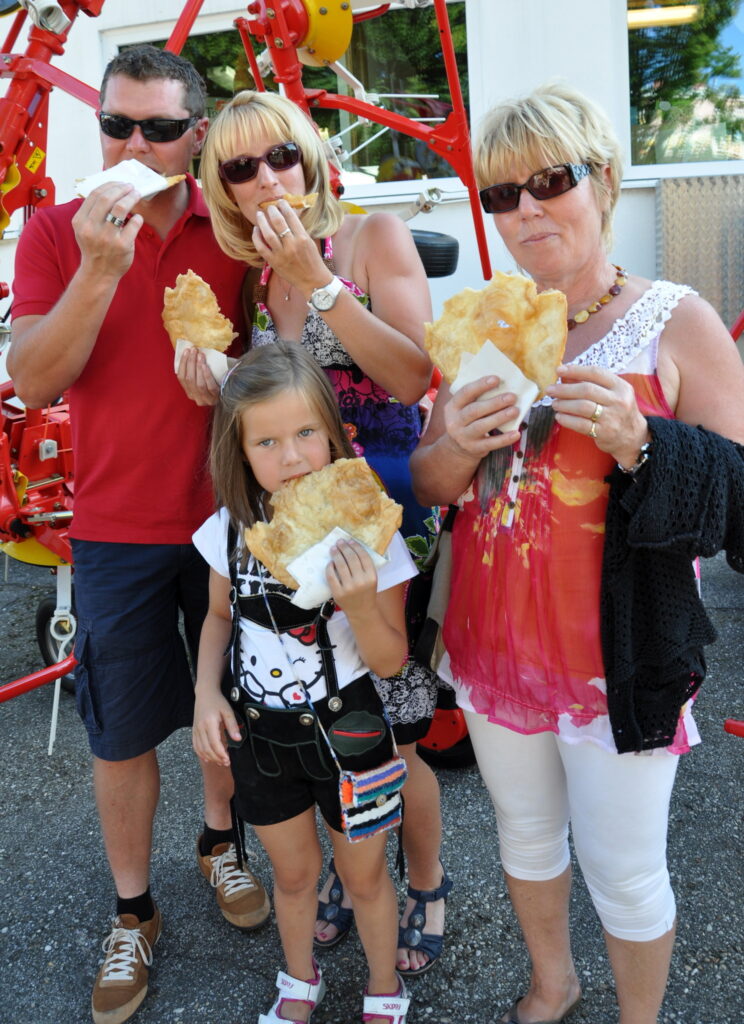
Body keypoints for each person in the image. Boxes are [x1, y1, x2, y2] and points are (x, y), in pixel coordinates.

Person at [410, 82, 744, 1024]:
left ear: (602, 179)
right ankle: (552, 982)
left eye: (548, 181)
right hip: (491, 645)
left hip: (619, 657)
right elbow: (433, 485)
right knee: (523, 835)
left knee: (626, 870)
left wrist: (647, 445)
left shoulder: (675, 321)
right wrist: (454, 444)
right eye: (500, 193)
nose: (524, 210)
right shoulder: (478, 321)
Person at [8, 45, 269, 1024]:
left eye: (160, 128)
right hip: (114, 525)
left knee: (225, 712)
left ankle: (220, 843)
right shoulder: (54, 231)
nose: (136, 143)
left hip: (226, 518)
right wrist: (100, 271)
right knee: (119, 733)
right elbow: (34, 377)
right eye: (119, 124)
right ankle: (134, 911)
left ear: (196, 135)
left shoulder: (237, 228)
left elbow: (286, 360)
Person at [194, 88, 452, 976]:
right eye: (241, 167)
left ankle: (425, 883)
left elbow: (418, 374)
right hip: (298, 529)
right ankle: (358, 864)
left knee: (396, 719)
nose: (268, 178)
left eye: (283, 157)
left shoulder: (371, 238)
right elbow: (279, 407)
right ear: (223, 188)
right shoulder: (259, 273)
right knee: (327, 705)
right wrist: (217, 388)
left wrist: (323, 280)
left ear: (311, 158)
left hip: (383, 506)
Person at [192, 341, 414, 1024]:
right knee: (292, 876)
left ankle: (384, 987)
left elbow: (390, 663)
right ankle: (298, 980)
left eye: (305, 434)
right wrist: (205, 694)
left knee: (365, 876)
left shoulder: (372, 532)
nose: (290, 457)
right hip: (263, 740)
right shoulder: (232, 529)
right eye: (267, 441)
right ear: (239, 449)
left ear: (332, 434)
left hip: (355, 736)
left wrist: (359, 600)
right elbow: (218, 618)